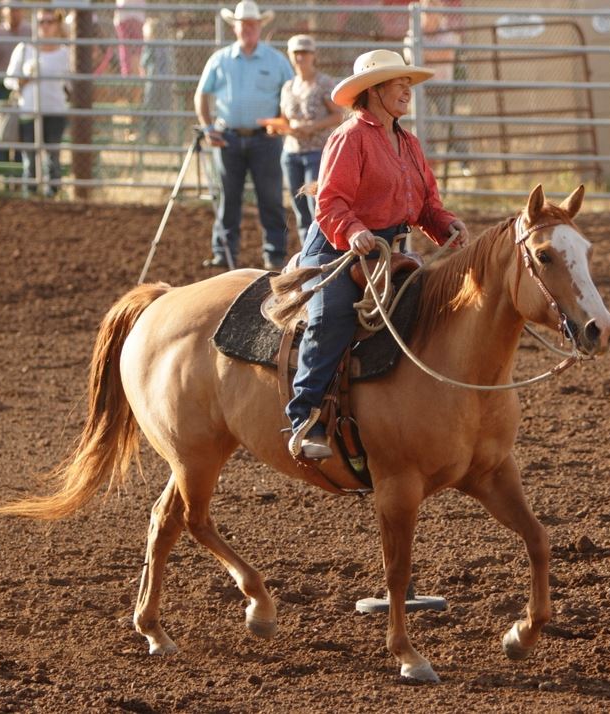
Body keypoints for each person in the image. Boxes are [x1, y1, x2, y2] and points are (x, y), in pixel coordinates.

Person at [285, 49, 471, 460]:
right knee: (330, 316)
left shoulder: (409, 143)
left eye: (408, 82)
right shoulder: (349, 137)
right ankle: (306, 419)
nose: (407, 89)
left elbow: (426, 206)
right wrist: (354, 231)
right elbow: (331, 203)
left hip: (388, 250)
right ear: (373, 91)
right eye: (397, 82)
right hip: (336, 248)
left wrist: (446, 226)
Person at [194, 1, 294, 270]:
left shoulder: (276, 60)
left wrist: (282, 122)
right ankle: (224, 252)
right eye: (243, 24)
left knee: (271, 198)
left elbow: (292, 93)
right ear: (234, 26)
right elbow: (201, 95)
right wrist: (208, 128)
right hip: (229, 137)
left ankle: (274, 254)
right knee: (229, 198)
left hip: (266, 138)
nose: (248, 28)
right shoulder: (220, 60)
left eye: (253, 23)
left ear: (260, 26)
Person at [278, 34, 344, 246]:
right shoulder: (288, 86)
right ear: (290, 56)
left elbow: (338, 114)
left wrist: (312, 127)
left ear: (313, 55)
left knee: (315, 204)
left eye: (304, 52)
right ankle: (308, 251)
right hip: (291, 151)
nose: (300, 57)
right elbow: (284, 117)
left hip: (317, 151)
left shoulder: (324, 83)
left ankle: (321, 249)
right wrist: (282, 128)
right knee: (299, 209)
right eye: (296, 53)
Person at [4, 7, 70, 198]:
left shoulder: (65, 53)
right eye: (42, 21)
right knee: (29, 158)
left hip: (55, 110)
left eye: (50, 22)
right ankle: (29, 194)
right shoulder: (25, 49)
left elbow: (71, 84)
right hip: (29, 110)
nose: (45, 26)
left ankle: (52, 194)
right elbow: (9, 80)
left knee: (52, 155)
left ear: (57, 25)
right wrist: (23, 79)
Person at [403, 0, 469, 176]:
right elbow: (412, 58)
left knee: (449, 122)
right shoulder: (414, 33)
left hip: (442, 84)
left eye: (433, 12)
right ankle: (430, 168)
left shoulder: (447, 33)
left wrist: (424, 54)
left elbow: (446, 55)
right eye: (426, 13)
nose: (429, 17)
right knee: (425, 125)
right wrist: (426, 55)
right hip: (421, 87)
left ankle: (465, 161)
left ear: (439, 14)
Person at [0, 1, 30, 163]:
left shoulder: (31, 32)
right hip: (2, 88)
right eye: (10, 10)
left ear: (22, 11)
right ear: (3, 12)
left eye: (17, 9)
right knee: (0, 130)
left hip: (26, 88)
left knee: (23, 131)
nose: (14, 13)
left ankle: (19, 174)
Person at [140, 16, 174, 145]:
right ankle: (163, 136)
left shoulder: (149, 45)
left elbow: (144, 62)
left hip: (153, 82)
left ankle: (145, 134)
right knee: (163, 109)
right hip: (166, 82)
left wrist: (142, 70)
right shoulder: (166, 45)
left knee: (149, 107)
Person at [113, 0, 145, 78]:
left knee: (125, 46)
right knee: (135, 47)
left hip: (125, 12)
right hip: (135, 13)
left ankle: (128, 73)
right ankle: (136, 72)